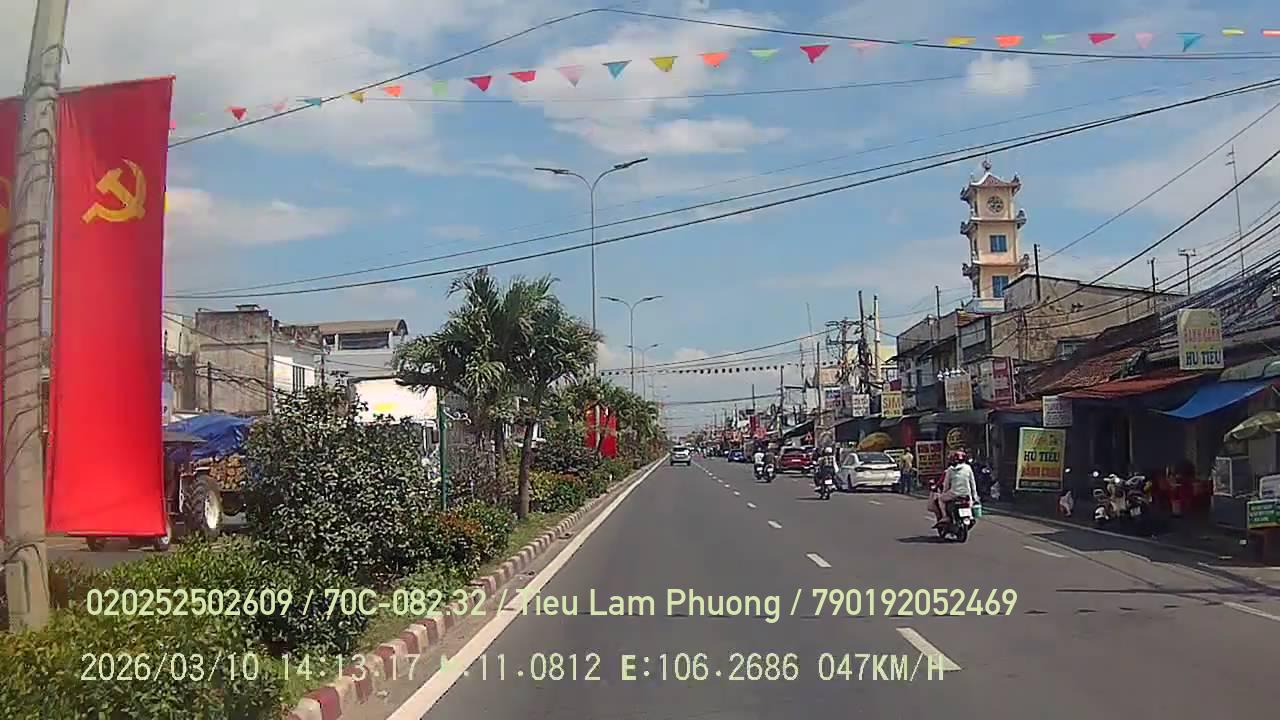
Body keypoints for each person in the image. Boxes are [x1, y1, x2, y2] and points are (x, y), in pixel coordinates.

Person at [930, 450, 975, 526]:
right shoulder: (968, 468)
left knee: (940, 499)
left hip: (954, 493)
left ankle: (945, 516)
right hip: (966, 493)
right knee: (970, 501)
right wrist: (974, 496)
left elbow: (946, 484)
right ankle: (970, 516)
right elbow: (972, 483)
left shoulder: (950, 470)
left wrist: (944, 493)